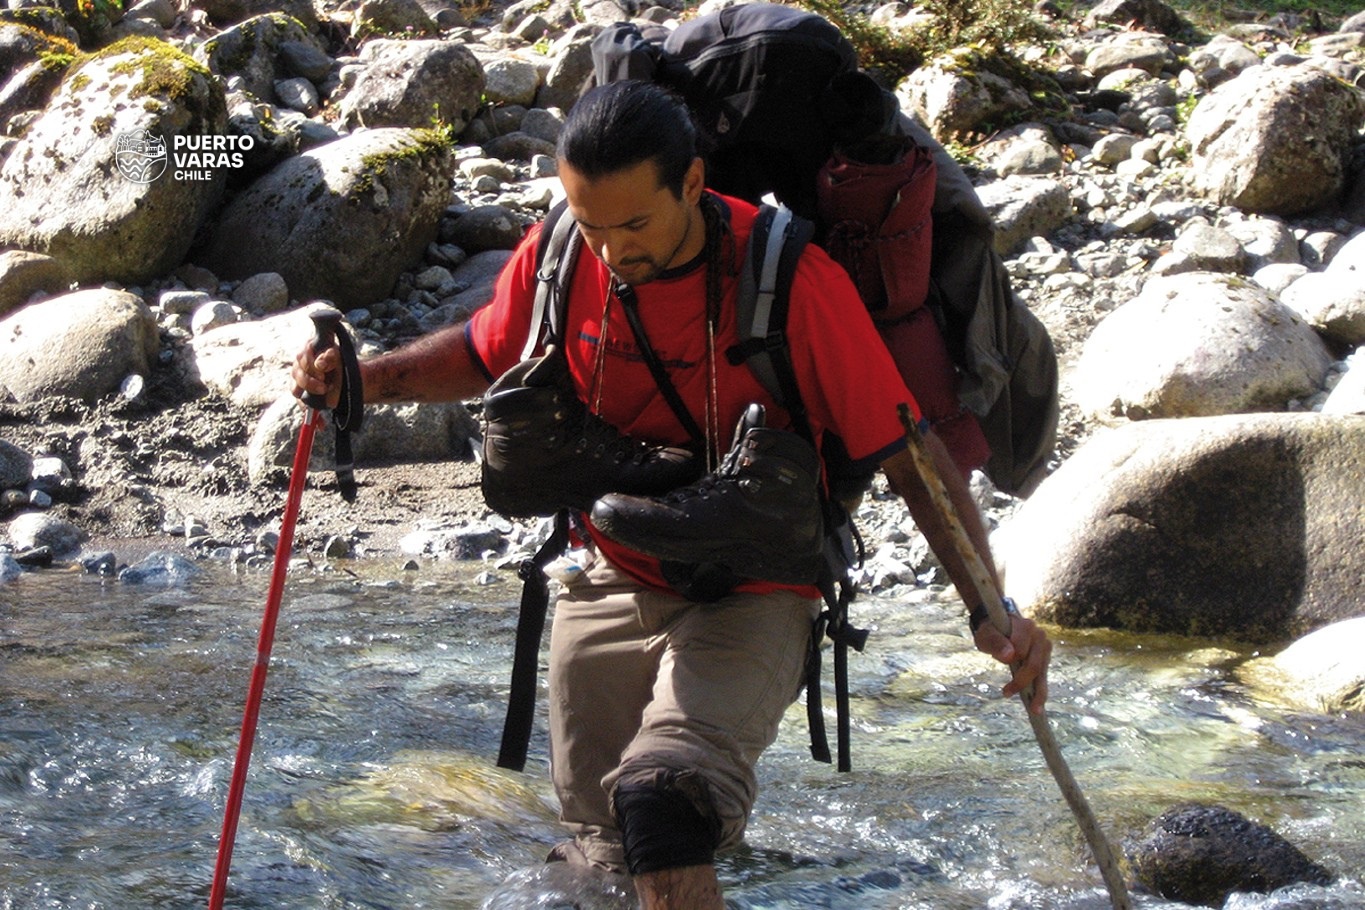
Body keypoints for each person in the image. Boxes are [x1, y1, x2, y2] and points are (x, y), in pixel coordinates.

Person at [292, 80, 1052, 910]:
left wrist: (988, 606)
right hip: (609, 571)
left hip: (757, 584)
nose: (612, 250)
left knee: (664, 805)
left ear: (692, 184)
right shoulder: (561, 255)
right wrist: (361, 384)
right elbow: (484, 351)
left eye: (634, 224)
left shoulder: (789, 281)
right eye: (591, 223)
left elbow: (909, 458)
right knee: (602, 860)